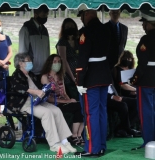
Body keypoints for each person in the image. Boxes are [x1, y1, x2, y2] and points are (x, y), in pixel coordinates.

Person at [8, 53, 77, 154]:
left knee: (56, 110)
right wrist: (36, 92)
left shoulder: (31, 74)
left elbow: (40, 86)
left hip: (37, 101)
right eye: (28, 60)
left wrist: (49, 87)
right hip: (25, 103)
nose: (30, 62)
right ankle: (54, 144)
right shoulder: (17, 74)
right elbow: (18, 88)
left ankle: (64, 141)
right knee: (46, 113)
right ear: (20, 63)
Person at [74, 4, 112, 157]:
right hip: (104, 75)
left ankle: (92, 148)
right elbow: (113, 53)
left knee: (90, 114)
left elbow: (82, 59)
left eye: (82, 15)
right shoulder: (106, 29)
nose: (82, 19)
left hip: (91, 78)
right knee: (102, 112)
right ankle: (101, 146)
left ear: (87, 14)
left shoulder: (85, 32)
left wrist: (80, 82)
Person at [129, 10, 155, 150]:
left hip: (146, 80)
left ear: (149, 24)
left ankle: (148, 142)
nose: (143, 25)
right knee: (153, 111)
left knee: (145, 112)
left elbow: (143, 63)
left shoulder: (146, 39)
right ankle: (154, 140)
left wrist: (134, 79)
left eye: (144, 23)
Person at [41, 54, 84, 146]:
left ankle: (78, 134)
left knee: (81, 106)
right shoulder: (45, 77)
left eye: (59, 62)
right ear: (50, 63)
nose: (58, 64)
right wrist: (67, 102)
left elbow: (64, 93)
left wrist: (70, 100)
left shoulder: (60, 76)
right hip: (54, 104)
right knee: (78, 106)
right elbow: (48, 98)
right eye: (55, 62)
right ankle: (74, 135)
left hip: (63, 102)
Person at [18, 5, 50, 79]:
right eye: (43, 15)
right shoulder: (26, 29)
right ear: (36, 14)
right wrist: (25, 68)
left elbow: (47, 50)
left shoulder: (45, 30)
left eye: (46, 15)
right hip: (31, 71)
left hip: (43, 71)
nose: (45, 17)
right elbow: (22, 51)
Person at [56, 18, 79, 101]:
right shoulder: (62, 42)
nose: (70, 28)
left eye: (72, 26)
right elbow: (63, 60)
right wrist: (73, 78)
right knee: (73, 97)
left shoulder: (77, 40)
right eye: (67, 27)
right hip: (67, 75)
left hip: (78, 73)